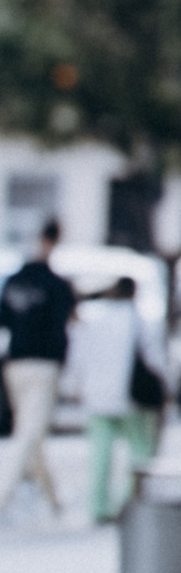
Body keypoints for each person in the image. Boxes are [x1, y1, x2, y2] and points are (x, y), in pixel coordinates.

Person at [69, 272, 166, 523]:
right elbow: (155, 359)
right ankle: (131, 501)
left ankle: (98, 505)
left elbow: (79, 355)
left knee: (100, 453)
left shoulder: (96, 320)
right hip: (131, 397)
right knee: (139, 450)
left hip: (97, 395)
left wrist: (77, 385)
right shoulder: (140, 321)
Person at [0, 218, 74, 519]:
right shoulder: (57, 285)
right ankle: (3, 495)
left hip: (15, 362)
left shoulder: (15, 281)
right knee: (28, 434)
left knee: (31, 432)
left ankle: (53, 498)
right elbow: (65, 327)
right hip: (42, 365)